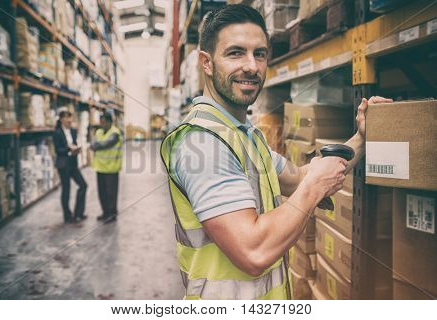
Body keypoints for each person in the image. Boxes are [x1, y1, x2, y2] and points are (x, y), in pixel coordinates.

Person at [160, 4, 393, 300]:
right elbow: (253, 251)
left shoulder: (244, 137)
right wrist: (312, 188)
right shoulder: (202, 142)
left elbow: (301, 177)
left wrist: (361, 138)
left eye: (259, 53)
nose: (251, 66)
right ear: (206, 63)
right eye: (235, 53)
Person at [53, 110, 88, 223]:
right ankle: (67, 216)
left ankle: (78, 213)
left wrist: (77, 149)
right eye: (67, 118)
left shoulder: (73, 131)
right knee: (66, 190)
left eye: (70, 118)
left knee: (83, 185)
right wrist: (69, 149)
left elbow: (75, 143)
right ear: (62, 119)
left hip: (73, 163)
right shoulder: (57, 133)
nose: (69, 120)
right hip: (63, 164)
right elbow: (58, 150)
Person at [91, 112, 123, 223]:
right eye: (101, 122)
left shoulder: (115, 133)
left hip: (112, 168)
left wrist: (95, 146)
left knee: (111, 193)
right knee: (102, 193)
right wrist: (95, 145)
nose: (102, 124)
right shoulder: (98, 132)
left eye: (104, 122)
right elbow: (94, 143)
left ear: (110, 122)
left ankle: (112, 214)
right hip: (100, 167)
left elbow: (105, 145)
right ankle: (105, 212)